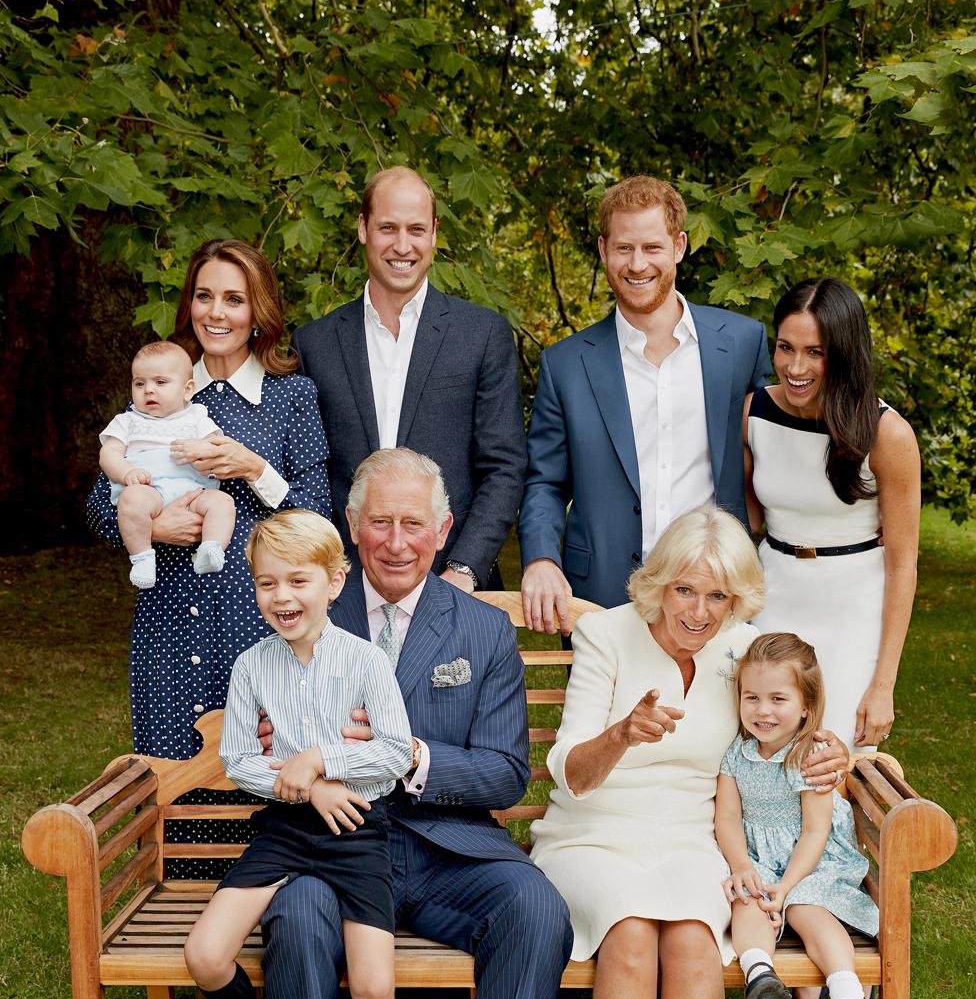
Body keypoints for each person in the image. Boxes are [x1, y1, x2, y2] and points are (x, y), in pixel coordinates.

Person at [259, 449, 573, 999]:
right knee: (293, 915)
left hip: (444, 848)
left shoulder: (481, 629)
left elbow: (507, 773)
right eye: (378, 522)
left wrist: (411, 756)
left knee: (536, 905)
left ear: (443, 532)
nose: (395, 542)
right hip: (332, 846)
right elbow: (263, 725)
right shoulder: (309, 607)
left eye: (412, 524)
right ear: (351, 529)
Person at [529, 507, 848, 999]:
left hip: (694, 836)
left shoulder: (741, 652)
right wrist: (623, 732)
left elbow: (795, 714)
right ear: (658, 584)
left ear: (738, 601)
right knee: (632, 932)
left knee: (697, 942)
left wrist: (832, 750)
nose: (699, 612)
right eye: (685, 591)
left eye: (718, 597)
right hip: (594, 829)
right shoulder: (606, 634)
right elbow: (567, 771)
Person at [183, 509, 413, 999]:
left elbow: (395, 753)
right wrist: (306, 782)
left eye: (297, 581)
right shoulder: (252, 667)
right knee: (204, 954)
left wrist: (325, 760)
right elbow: (238, 761)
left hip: (357, 829)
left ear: (335, 582)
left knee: (372, 988)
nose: (282, 597)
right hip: (286, 827)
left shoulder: (366, 662)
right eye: (266, 584)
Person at [86, 239, 331, 776]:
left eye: (234, 299)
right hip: (168, 621)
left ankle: (272, 866)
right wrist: (155, 524)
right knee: (172, 782)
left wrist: (253, 467)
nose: (216, 313)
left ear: (258, 311)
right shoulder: (160, 387)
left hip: (260, 624)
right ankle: (175, 867)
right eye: (204, 296)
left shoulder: (291, 397)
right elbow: (97, 507)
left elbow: (319, 516)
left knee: (268, 775)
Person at [518, 175, 770, 632]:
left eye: (652, 248)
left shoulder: (741, 344)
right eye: (623, 248)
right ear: (602, 249)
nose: (637, 264)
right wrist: (539, 558)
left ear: (679, 246)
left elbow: (773, 452)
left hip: (717, 595)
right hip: (601, 597)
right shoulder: (566, 364)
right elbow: (545, 483)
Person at [293, 165, 526, 591]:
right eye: (388, 228)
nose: (403, 245)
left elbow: (504, 468)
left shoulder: (482, 334)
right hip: (346, 589)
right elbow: (311, 471)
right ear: (363, 228)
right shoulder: (314, 344)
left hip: (454, 582)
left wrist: (464, 569)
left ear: (434, 233)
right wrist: (332, 568)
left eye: (416, 229)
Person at [744, 277, 920, 748]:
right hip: (772, 601)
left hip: (853, 612)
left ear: (843, 353)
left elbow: (903, 564)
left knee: (833, 760)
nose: (795, 367)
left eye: (815, 352)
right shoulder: (754, 413)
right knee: (762, 753)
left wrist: (883, 685)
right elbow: (747, 523)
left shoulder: (888, 435)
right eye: (785, 347)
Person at [716, 632, 879, 999]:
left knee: (806, 908)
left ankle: (848, 997)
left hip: (812, 862)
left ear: (806, 706)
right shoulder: (736, 754)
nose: (762, 710)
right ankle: (761, 973)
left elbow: (814, 832)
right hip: (759, 859)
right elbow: (729, 819)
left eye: (777, 699)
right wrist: (741, 866)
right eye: (751, 697)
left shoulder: (810, 754)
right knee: (747, 899)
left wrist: (786, 888)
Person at [98, 340, 236, 588]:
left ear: (187, 389)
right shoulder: (127, 421)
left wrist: (201, 448)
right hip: (149, 490)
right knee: (131, 501)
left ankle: (211, 548)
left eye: (160, 382)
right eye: (140, 383)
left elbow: (219, 449)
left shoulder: (198, 417)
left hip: (194, 492)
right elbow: (108, 454)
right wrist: (126, 472)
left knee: (223, 503)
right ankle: (141, 557)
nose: (148, 390)